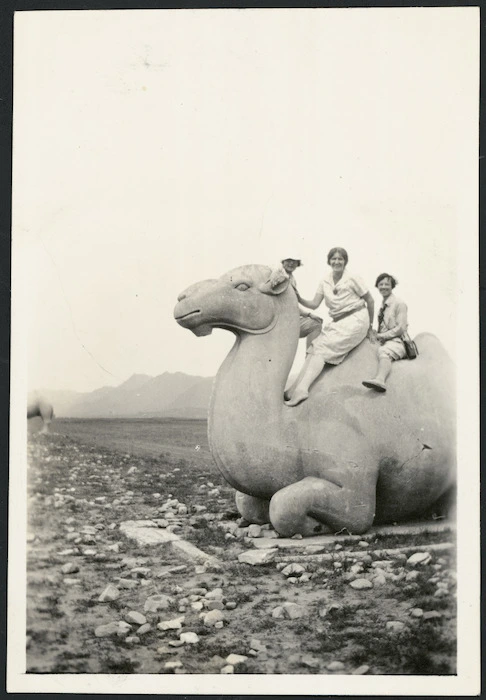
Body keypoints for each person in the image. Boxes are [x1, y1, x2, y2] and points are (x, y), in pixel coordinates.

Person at [285, 247, 375, 406]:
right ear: (329, 261)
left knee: (323, 349)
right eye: (334, 259)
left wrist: (370, 328)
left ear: (345, 261)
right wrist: (298, 297)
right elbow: (313, 304)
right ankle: (293, 389)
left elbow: (370, 300)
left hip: (356, 319)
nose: (337, 262)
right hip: (339, 322)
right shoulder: (325, 281)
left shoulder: (353, 278)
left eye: (340, 259)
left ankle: (302, 390)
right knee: (315, 347)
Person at [362, 273, 408, 392]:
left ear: (392, 286)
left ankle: (380, 380)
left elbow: (401, 328)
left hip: (398, 342)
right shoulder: (383, 306)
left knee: (384, 351)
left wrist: (380, 335)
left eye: (386, 284)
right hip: (385, 340)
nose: (383, 287)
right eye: (380, 284)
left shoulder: (399, 303)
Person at [268, 258, 323, 349]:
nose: (291, 263)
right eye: (289, 260)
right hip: (276, 322)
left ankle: (309, 360)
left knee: (316, 324)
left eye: (294, 261)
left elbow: (291, 305)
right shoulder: (278, 273)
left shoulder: (292, 279)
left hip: (289, 321)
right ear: (283, 262)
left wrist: (309, 314)